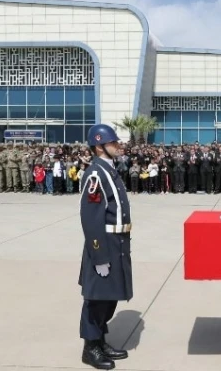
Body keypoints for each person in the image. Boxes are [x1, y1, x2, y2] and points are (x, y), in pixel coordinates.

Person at [78, 124, 133, 370]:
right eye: (113, 143)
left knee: (110, 297)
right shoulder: (95, 174)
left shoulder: (110, 170)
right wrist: (99, 254)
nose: (118, 145)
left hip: (118, 241)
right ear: (99, 146)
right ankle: (91, 348)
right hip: (104, 243)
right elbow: (91, 219)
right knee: (96, 299)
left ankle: (100, 340)